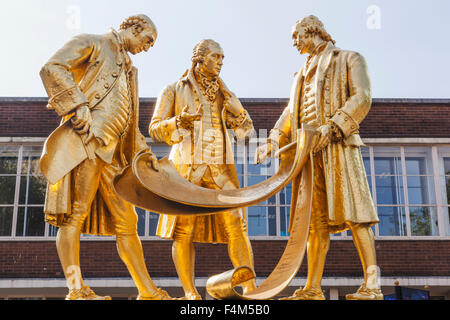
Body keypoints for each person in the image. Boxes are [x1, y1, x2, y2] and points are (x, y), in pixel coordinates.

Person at [40, 14, 172, 300]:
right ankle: (76, 289)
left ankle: (147, 291)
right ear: (134, 28)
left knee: (128, 222)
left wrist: (144, 154)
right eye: (148, 39)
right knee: (74, 215)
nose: (148, 47)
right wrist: (78, 106)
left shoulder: (130, 70)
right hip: (87, 141)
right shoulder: (93, 42)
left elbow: (129, 122)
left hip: (115, 155)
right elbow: (52, 67)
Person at [255, 15, 383, 300]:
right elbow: (290, 113)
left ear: (311, 31)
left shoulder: (349, 58)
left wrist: (334, 125)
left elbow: (362, 97)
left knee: (358, 216)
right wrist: (273, 139)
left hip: (338, 147)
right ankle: (312, 288)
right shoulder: (299, 74)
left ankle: (372, 286)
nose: (293, 42)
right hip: (308, 156)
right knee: (314, 224)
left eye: (295, 35)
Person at [149, 39, 256, 300]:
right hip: (186, 170)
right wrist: (178, 122)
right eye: (215, 56)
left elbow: (246, 134)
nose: (220, 62)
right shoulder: (173, 89)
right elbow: (154, 129)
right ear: (199, 59)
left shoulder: (226, 93)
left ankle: (250, 289)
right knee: (183, 229)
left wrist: (238, 111)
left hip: (221, 171)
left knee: (237, 225)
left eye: (222, 57)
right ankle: (189, 292)